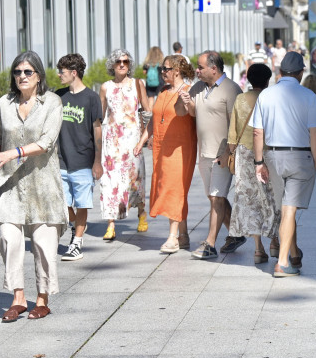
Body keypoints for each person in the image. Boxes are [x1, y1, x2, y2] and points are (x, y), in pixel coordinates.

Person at [0, 51, 65, 322]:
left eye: (27, 72)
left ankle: (42, 299)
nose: (21, 76)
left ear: (39, 76)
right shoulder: (3, 104)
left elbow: (46, 143)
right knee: (8, 237)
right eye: (18, 72)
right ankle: (18, 298)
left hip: (43, 185)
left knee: (44, 244)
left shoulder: (52, 102)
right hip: (9, 185)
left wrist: (12, 153)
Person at [251, 51, 316, 278]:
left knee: (285, 210)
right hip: (300, 156)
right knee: (289, 210)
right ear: (301, 72)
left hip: (273, 157)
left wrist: (258, 162)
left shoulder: (265, 95)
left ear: (280, 71)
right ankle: (282, 263)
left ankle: (293, 252)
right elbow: (315, 134)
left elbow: (257, 132)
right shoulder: (308, 95)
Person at [134, 54, 198, 253]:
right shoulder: (163, 92)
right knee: (173, 188)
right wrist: (141, 141)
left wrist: (188, 103)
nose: (162, 72)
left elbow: (194, 113)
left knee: (174, 189)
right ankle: (184, 235)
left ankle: (173, 237)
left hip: (181, 148)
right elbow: (154, 120)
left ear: (177, 71)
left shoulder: (188, 91)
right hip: (162, 147)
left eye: (166, 69)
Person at [190, 51, 245, 260]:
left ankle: (210, 244)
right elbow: (190, 112)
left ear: (214, 68)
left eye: (200, 67)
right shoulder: (199, 88)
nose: (197, 70)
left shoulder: (231, 89)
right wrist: (186, 101)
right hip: (203, 152)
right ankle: (236, 234)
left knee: (216, 197)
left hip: (222, 153)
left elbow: (237, 124)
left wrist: (227, 152)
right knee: (214, 197)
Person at [228, 63, 280, 263]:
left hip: (245, 153)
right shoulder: (271, 98)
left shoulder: (240, 99)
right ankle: (275, 240)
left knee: (251, 201)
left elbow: (233, 134)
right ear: (268, 80)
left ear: (248, 80)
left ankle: (258, 249)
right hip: (268, 151)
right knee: (272, 197)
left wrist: (229, 153)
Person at [55, 54, 103, 261]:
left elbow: (97, 129)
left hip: (83, 160)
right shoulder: (58, 96)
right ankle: (76, 227)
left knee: (82, 203)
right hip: (61, 160)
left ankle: (77, 243)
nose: (59, 75)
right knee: (62, 204)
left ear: (73, 73)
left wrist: (97, 161)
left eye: (62, 72)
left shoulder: (91, 98)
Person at [100, 49, 150, 239]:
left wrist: (146, 138)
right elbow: (101, 115)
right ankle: (111, 223)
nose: (122, 64)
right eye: (119, 61)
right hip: (112, 142)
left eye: (126, 62)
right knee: (110, 181)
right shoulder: (105, 87)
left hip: (132, 141)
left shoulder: (138, 84)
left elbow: (147, 112)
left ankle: (141, 213)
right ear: (112, 64)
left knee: (135, 180)